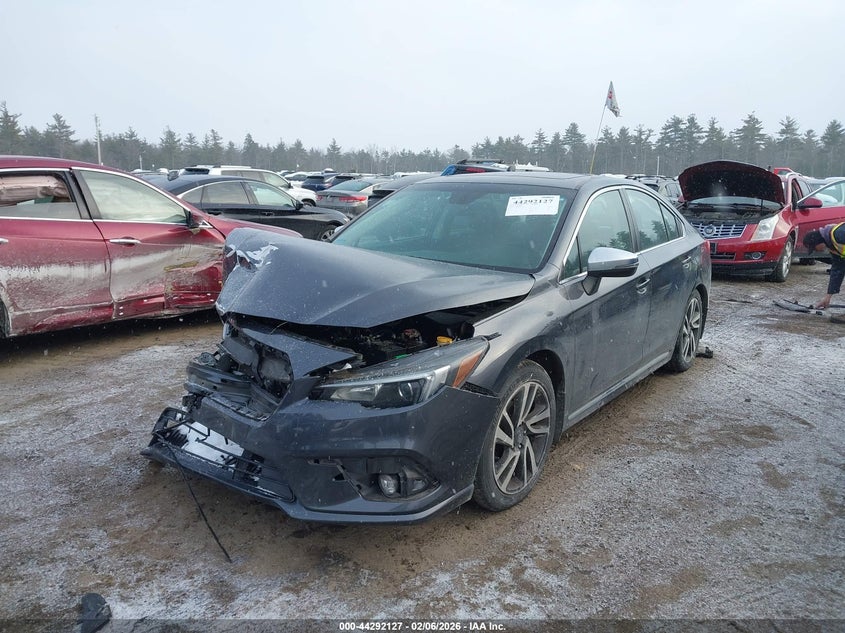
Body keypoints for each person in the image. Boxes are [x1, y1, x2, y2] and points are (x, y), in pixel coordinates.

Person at [802, 222, 845, 309]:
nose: (816, 251)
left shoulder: (839, 234)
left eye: (814, 248)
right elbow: (837, 271)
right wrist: (828, 297)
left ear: (818, 242)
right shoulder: (833, 246)